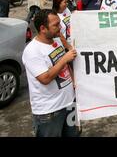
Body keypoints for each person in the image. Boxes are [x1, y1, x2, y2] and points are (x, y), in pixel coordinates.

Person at [21, 9, 79, 137]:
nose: (60, 27)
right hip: (49, 113)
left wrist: (74, 80)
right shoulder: (32, 51)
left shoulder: (56, 41)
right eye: (56, 25)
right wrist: (64, 59)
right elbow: (45, 78)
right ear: (43, 28)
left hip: (69, 104)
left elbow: (66, 66)